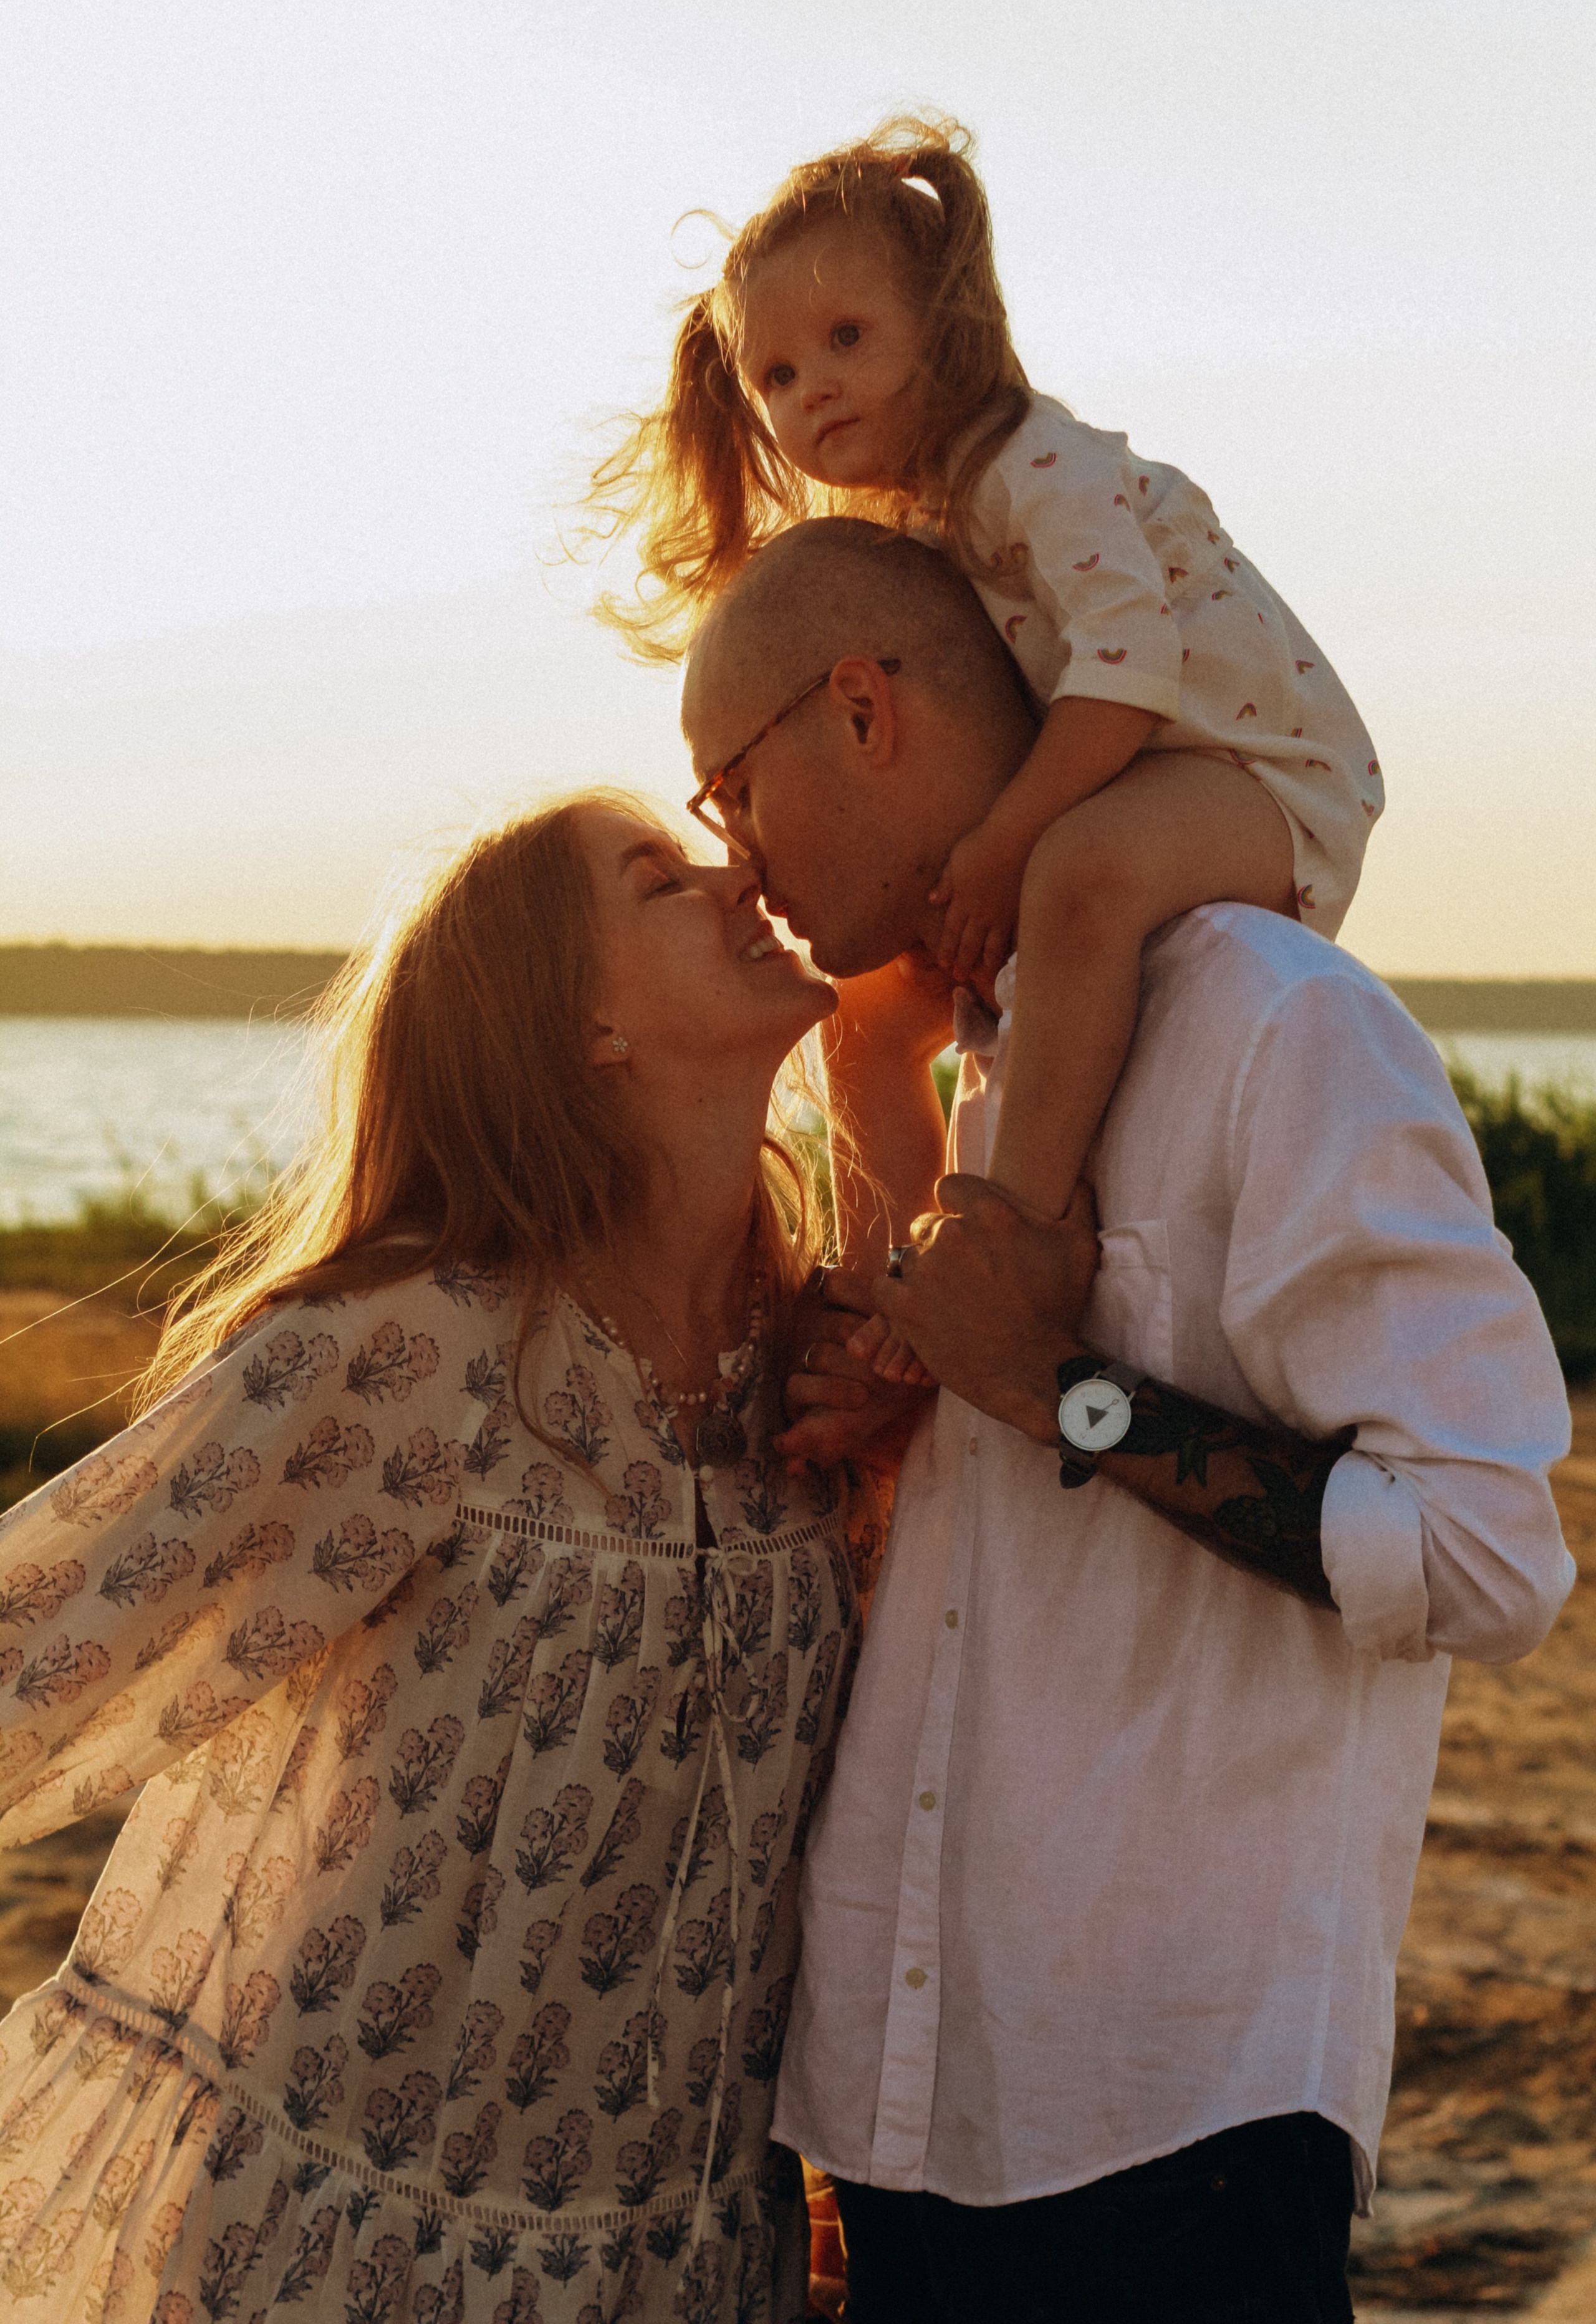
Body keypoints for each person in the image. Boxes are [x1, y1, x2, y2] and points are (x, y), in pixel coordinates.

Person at [680, 519, 1574, 2323]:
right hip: (896, 2115)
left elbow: (1488, 1554)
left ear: (860, 711)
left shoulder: (1280, 1032)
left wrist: (1059, 1389)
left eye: (730, 788)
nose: (735, 858)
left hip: (1172, 2132)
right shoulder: (966, 1074)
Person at [0, 794, 874, 2324]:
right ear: (585, 1025)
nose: (737, 871)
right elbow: (35, 1639)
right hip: (349, 2254)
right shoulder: (419, 1347)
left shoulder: (816, 1371)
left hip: (679, 2264)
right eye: (659, 880)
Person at [585, 112, 1383, 1230]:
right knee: (866, 1008)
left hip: (1264, 771)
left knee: (1075, 874)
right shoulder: (930, 513)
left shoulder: (1037, 464)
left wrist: (1003, 842)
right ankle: (884, 1273)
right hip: (1139, 768)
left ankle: (1007, 1227)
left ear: (940, 324)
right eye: (779, 374)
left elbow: (1131, 667)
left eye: (848, 337)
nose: (815, 389)